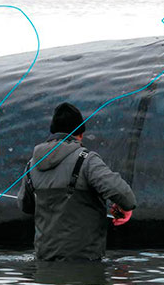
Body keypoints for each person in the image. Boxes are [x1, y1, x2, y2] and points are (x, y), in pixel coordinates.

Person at [17, 102, 136, 261]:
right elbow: (125, 197)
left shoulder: (31, 165)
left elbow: (25, 206)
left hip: (43, 261)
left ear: (53, 132)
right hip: (84, 262)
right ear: (80, 134)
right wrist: (125, 208)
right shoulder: (87, 160)